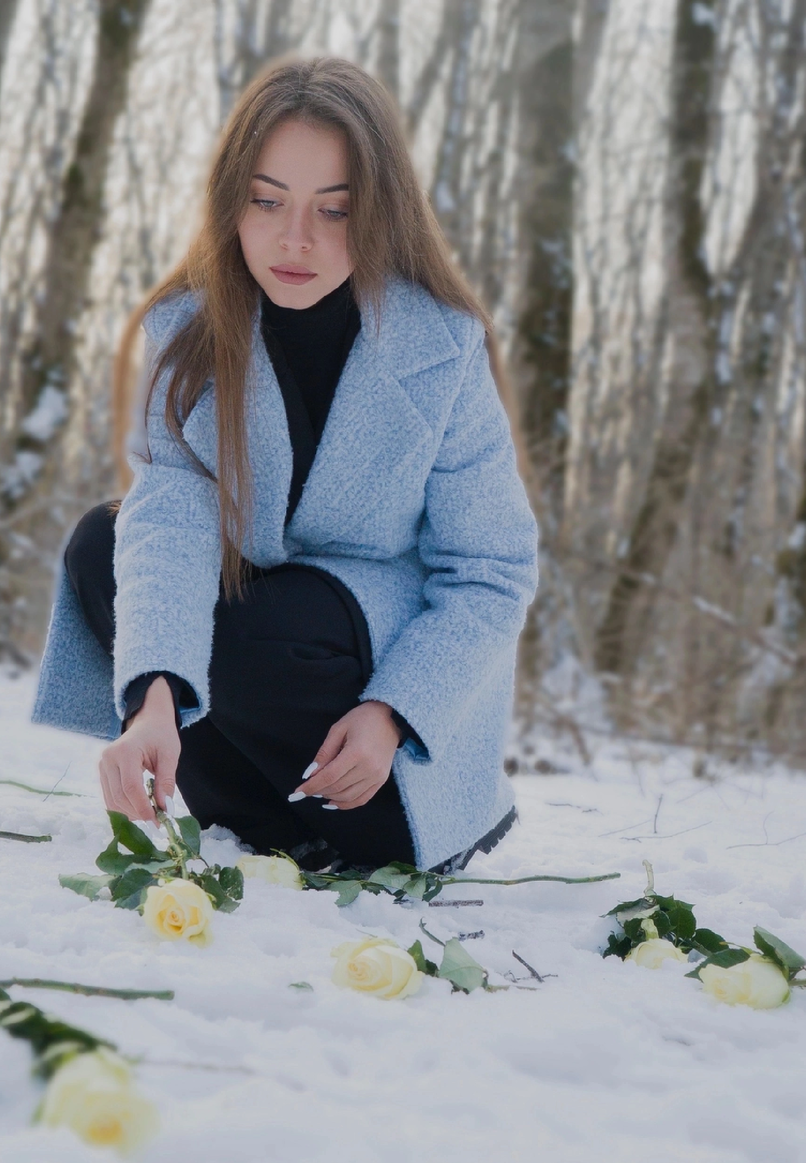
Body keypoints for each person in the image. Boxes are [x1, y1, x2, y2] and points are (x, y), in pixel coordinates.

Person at [32, 57, 538, 874]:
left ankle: (373, 823)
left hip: (377, 740)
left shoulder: (440, 347)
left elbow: (491, 570)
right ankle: (256, 821)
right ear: (231, 199)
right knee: (104, 544)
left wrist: (393, 714)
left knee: (279, 620)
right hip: (260, 671)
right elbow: (170, 516)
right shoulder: (188, 331)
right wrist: (152, 697)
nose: (294, 239)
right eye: (267, 202)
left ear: (378, 215)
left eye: (333, 211)